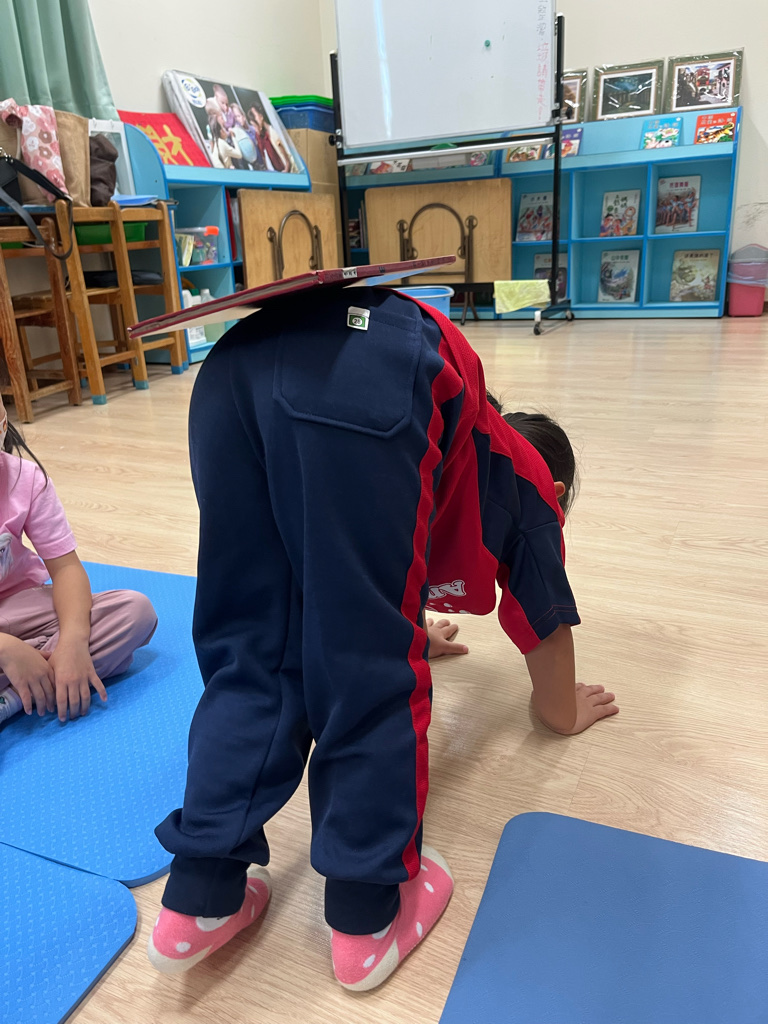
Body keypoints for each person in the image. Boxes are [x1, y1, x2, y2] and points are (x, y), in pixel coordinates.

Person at [147, 288, 618, 988]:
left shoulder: (453, 452)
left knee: (255, 649)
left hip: (232, 368)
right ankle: (367, 920)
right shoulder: (527, 482)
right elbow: (546, 629)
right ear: (553, 486)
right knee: (366, 661)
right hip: (367, 365)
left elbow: (352, 541)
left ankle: (198, 901)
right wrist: (563, 711)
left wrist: (418, 627)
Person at [0, 400, 157, 725]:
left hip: (21, 609)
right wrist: (5, 649)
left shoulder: (26, 479)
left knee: (134, 611)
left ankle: (19, 691)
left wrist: (73, 641)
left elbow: (66, 569)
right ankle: (34, 676)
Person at [248, 99, 293, 173]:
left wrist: (286, 170)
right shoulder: (260, 136)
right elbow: (264, 157)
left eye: (255, 116)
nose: (255, 129)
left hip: (286, 171)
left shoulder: (273, 132)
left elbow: (287, 160)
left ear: (261, 116)